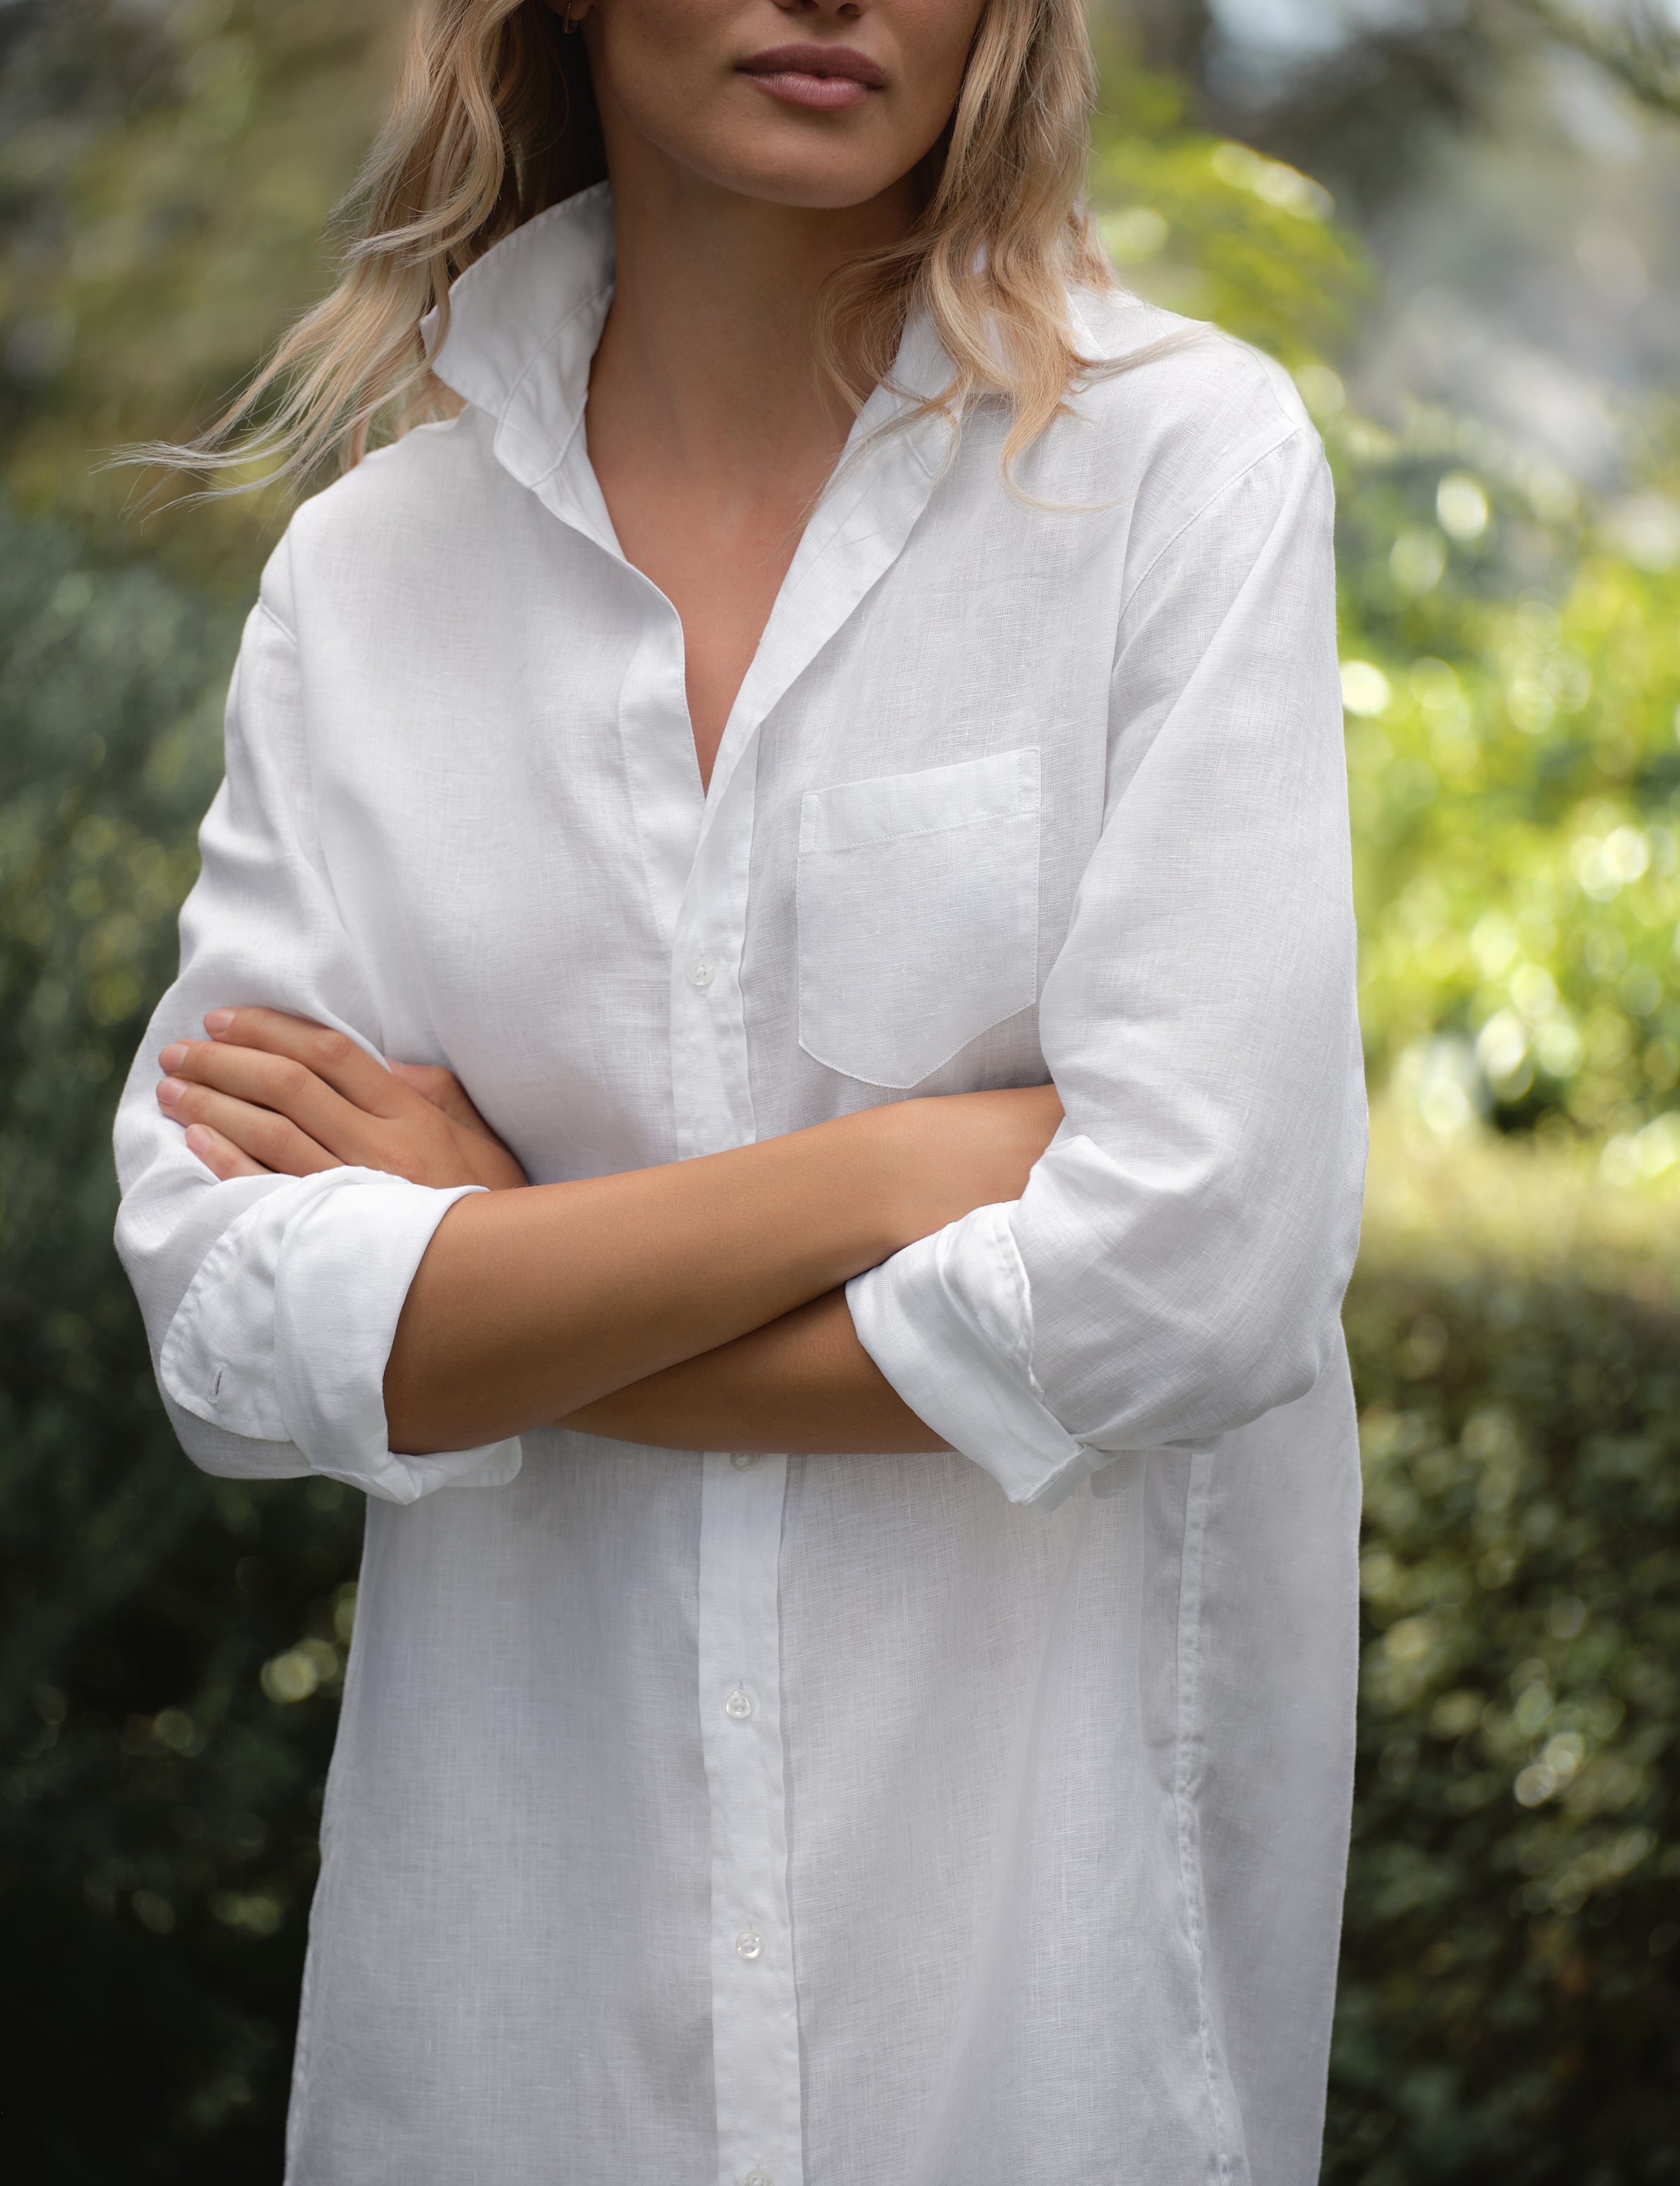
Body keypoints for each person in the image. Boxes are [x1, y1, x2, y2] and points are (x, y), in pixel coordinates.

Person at [112, 0, 1368, 2178]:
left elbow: (1195, 1279)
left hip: (1026, 2034)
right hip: (517, 2034)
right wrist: (900, 1170)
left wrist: (496, 1283)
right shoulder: (373, 583)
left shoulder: (1176, 473)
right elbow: (233, 1322)